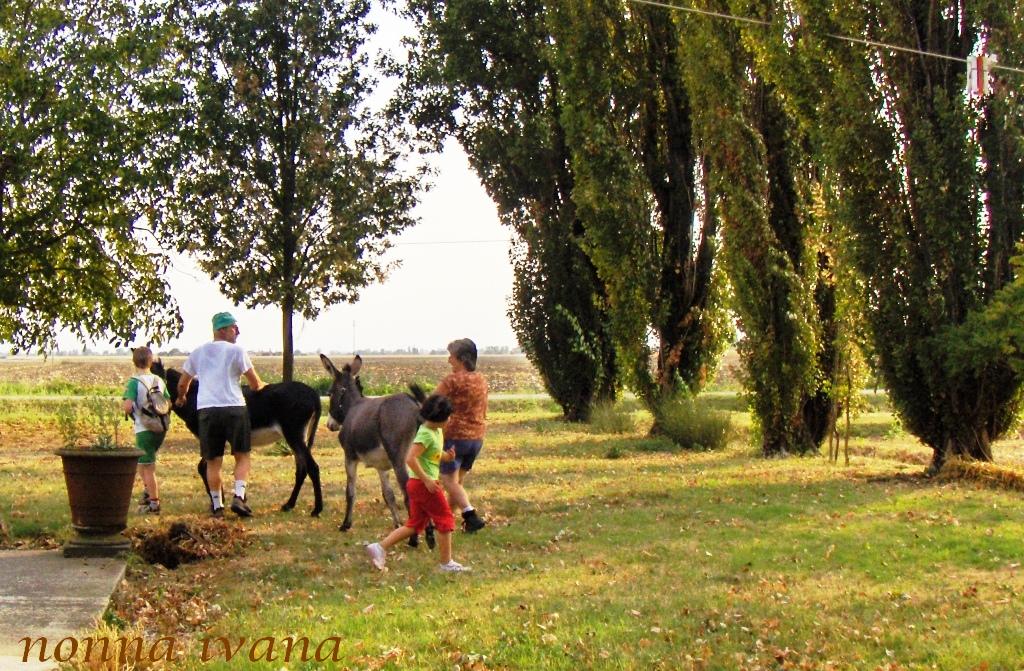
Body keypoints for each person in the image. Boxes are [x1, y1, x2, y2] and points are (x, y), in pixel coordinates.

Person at [366, 394, 470, 573]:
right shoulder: (425, 435)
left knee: (414, 524)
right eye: (448, 417)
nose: (450, 419)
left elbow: (432, 453)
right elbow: (410, 458)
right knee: (445, 519)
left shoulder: (435, 431)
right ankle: (446, 563)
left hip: (419, 485)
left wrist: (446, 456)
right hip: (423, 485)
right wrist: (427, 480)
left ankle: (379, 547)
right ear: (439, 419)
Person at [176, 312, 266, 518]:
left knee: (213, 461)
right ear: (222, 330)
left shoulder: (198, 353)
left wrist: (181, 398)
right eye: (234, 327)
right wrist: (262, 386)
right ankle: (239, 497)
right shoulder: (237, 351)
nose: (238, 331)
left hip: (207, 410)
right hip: (235, 408)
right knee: (242, 456)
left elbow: (183, 383)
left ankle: (217, 506)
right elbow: (254, 383)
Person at [435, 338, 488, 532]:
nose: (449, 361)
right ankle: (446, 522)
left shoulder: (452, 380)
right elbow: (484, 408)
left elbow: (432, 402)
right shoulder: (481, 379)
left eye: (452, 357)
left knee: (448, 480)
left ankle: (470, 514)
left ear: (462, 359)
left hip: (455, 437)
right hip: (477, 437)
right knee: (457, 484)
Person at [122, 346, 170, 514]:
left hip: (144, 429)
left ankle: (154, 503)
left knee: (147, 467)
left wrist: (126, 407)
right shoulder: (159, 381)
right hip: (161, 427)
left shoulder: (134, 382)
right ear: (151, 362)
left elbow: (128, 406)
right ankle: (148, 493)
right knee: (142, 464)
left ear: (134, 362)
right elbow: (167, 403)